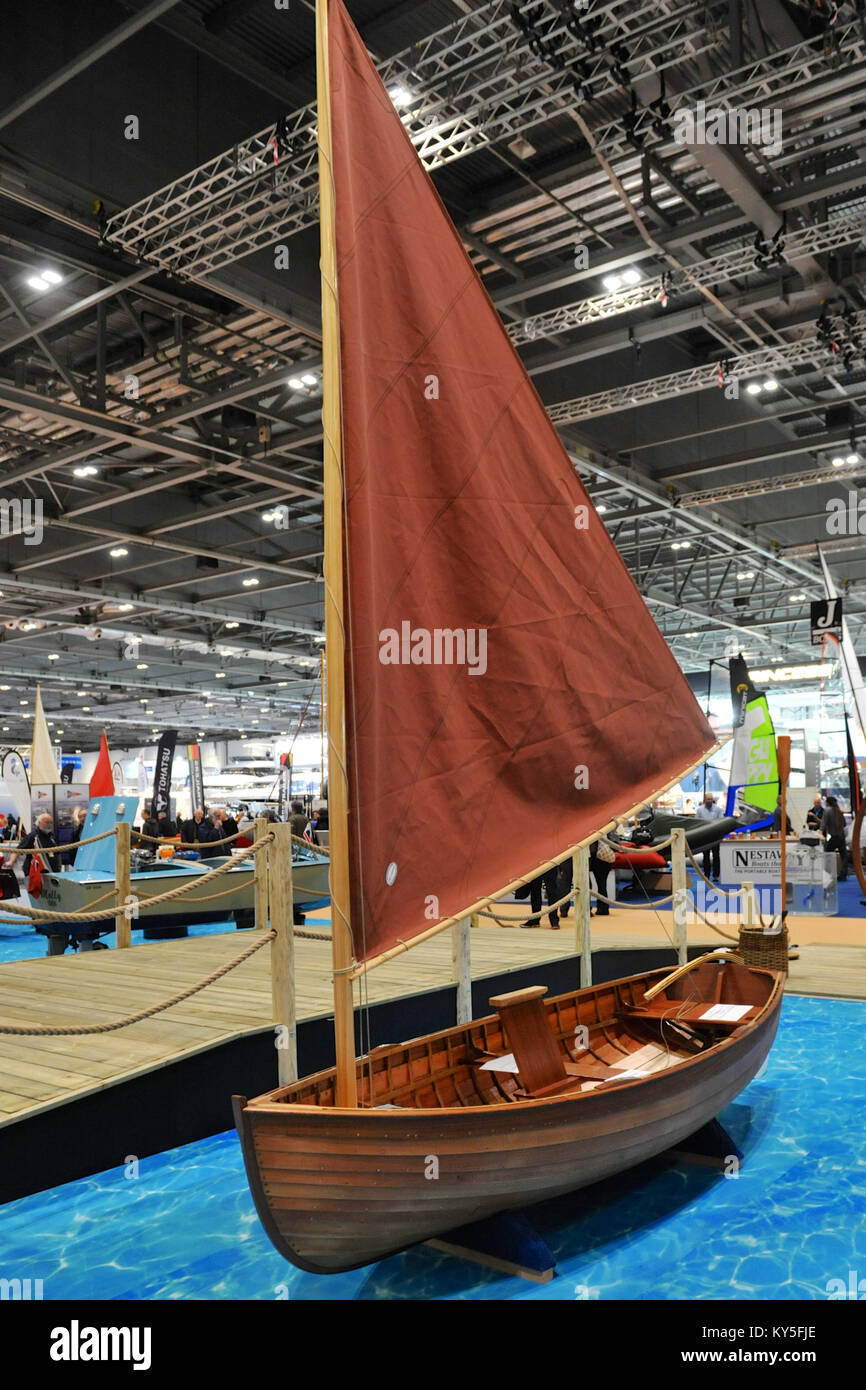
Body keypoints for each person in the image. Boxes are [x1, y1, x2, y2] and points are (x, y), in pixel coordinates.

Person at [5, 812, 58, 876]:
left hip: (51, 871)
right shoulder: (33, 836)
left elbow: (58, 853)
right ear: (39, 823)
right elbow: (18, 850)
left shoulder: (52, 836)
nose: (49, 825)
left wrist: (59, 867)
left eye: (51, 823)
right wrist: (11, 862)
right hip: (35, 872)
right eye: (47, 822)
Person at [695, 792, 723, 880]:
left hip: (715, 836)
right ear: (705, 800)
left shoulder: (718, 809)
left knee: (716, 856)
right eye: (708, 799)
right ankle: (706, 875)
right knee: (705, 856)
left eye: (711, 799)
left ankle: (716, 875)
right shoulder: (699, 810)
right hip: (705, 837)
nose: (709, 801)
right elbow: (697, 823)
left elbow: (721, 821)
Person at [822, 796, 848, 881]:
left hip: (832, 837)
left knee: (828, 855)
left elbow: (823, 825)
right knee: (843, 856)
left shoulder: (827, 810)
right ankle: (843, 874)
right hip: (841, 837)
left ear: (827, 803)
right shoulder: (839, 811)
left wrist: (824, 835)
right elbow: (844, 824)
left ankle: (829, 874)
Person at [588, 839, 615, 915]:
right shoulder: (608, 829)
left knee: (591, 884)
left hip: (597, 858)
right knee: (602, 885)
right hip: (606, 857)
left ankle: (594, 908)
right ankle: (603, 908)